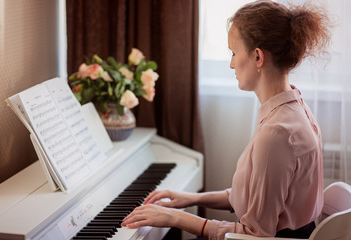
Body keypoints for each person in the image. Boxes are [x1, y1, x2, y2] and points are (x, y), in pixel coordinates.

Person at [121, 0, 331, 239]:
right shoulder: (293, 108)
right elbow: (255, 195)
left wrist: (176, 218)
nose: (231, 63)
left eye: (233, 52)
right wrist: (190, 199)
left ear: (258, 57)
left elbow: (255, 234)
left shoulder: (277, 133)